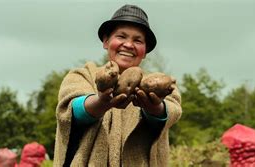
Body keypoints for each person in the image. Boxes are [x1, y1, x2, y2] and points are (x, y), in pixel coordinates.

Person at [53, 4, 182, 166]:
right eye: (121, 36)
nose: (128, 44)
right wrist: (100, 102)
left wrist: (154, 108)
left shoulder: (160, 83)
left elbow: (172, 111)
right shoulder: (83, 75)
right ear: (106, 41)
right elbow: (70, 112)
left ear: (146, 50)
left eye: (138, 40)